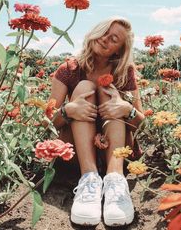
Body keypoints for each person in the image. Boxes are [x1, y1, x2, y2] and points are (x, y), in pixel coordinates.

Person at [49, 16, 144, 227]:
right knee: (83, 87)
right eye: (103, 32)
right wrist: (68, 110)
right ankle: (89, 180)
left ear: (119, 50)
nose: (105, 39)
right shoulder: (68, 70)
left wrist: (126, 109)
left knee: (111, 93)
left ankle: (115, 181)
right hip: (77, 151)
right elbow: (47, 122)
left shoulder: (124, 72)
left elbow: (141, 123)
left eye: (114, 39)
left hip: (116, 151)